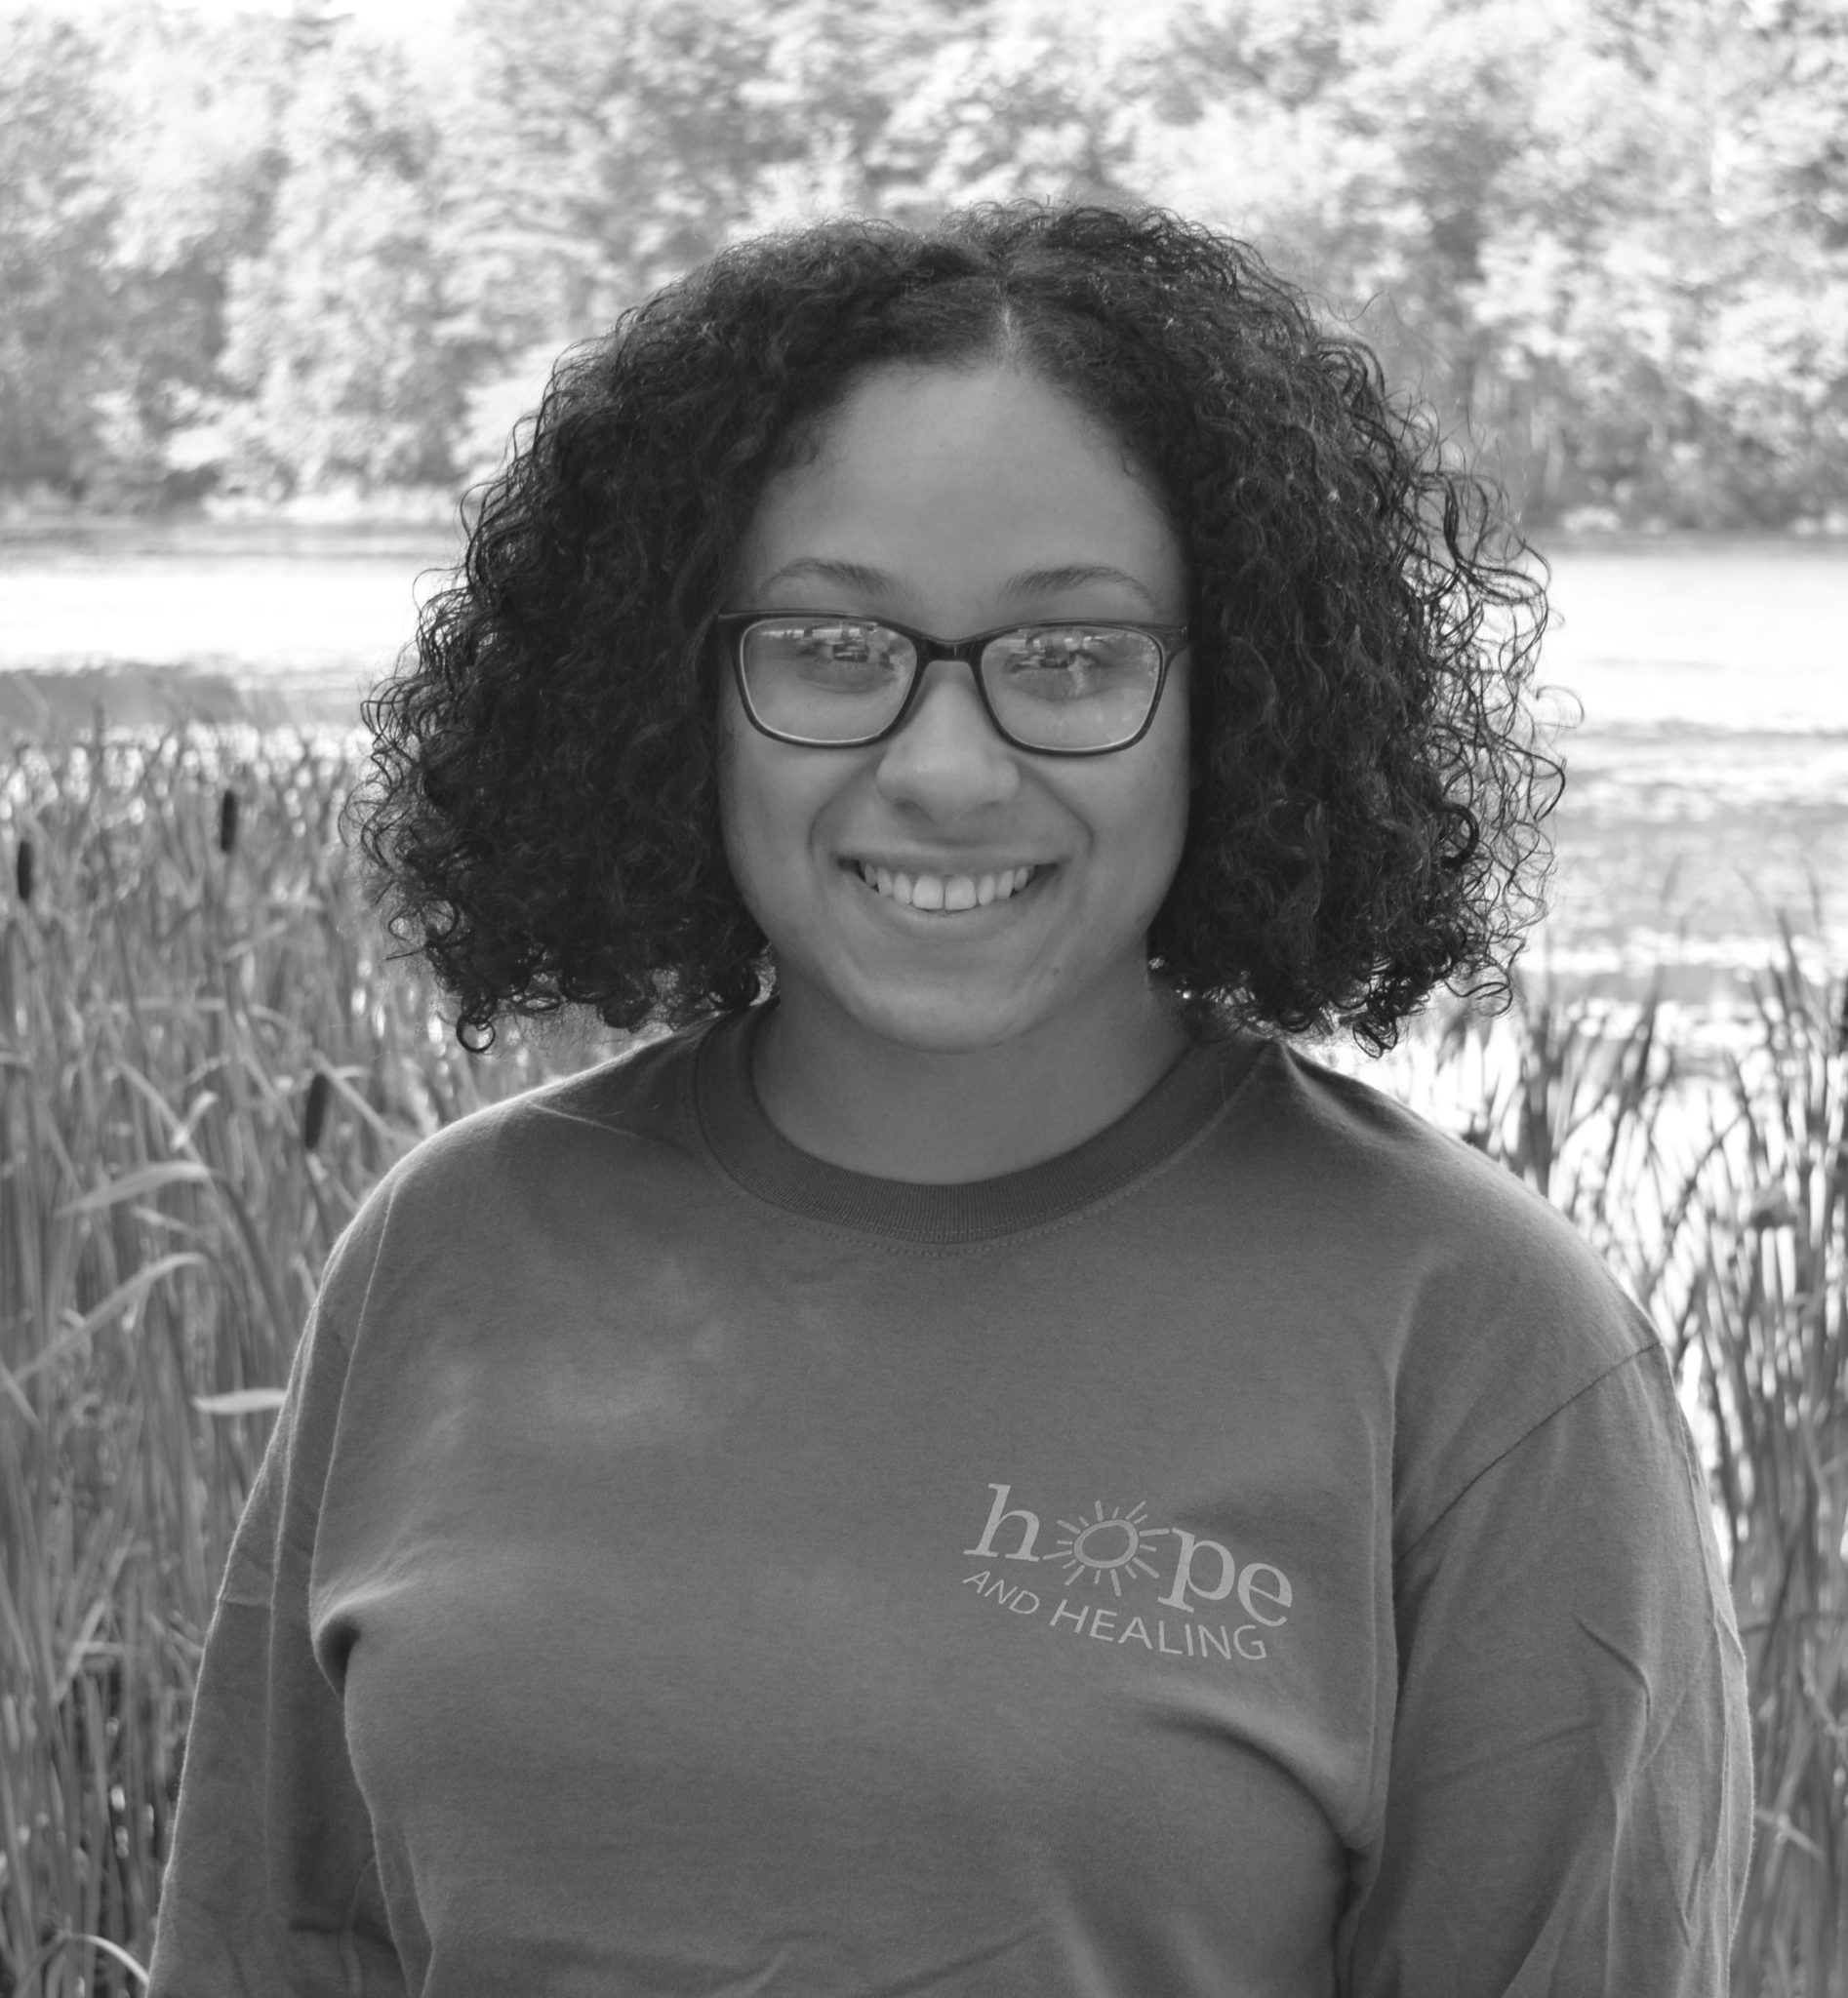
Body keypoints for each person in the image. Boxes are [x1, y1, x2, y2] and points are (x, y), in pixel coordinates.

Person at [148, 203, 1751, 1996]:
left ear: (1237, 703)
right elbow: (266, 1949)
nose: (945, 769)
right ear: (680, 693)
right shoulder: (446, 1245)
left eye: (1069, 658)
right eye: (832, 650)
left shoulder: (1472, 1339)